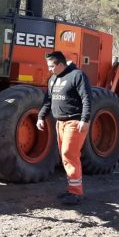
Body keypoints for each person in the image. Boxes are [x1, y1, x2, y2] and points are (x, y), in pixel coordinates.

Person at [36, 51, 92, 205]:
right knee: (66, 156)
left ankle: (76, 192)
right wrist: (41, 116)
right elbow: (48, 100)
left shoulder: (77, 75)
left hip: (74, 122)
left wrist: (85, 119)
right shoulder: (53, 78)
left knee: (69, 154)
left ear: (60, 64)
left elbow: (87, 98)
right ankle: (71, 189)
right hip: (59, 122)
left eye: (51, 66)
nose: (49, 69)